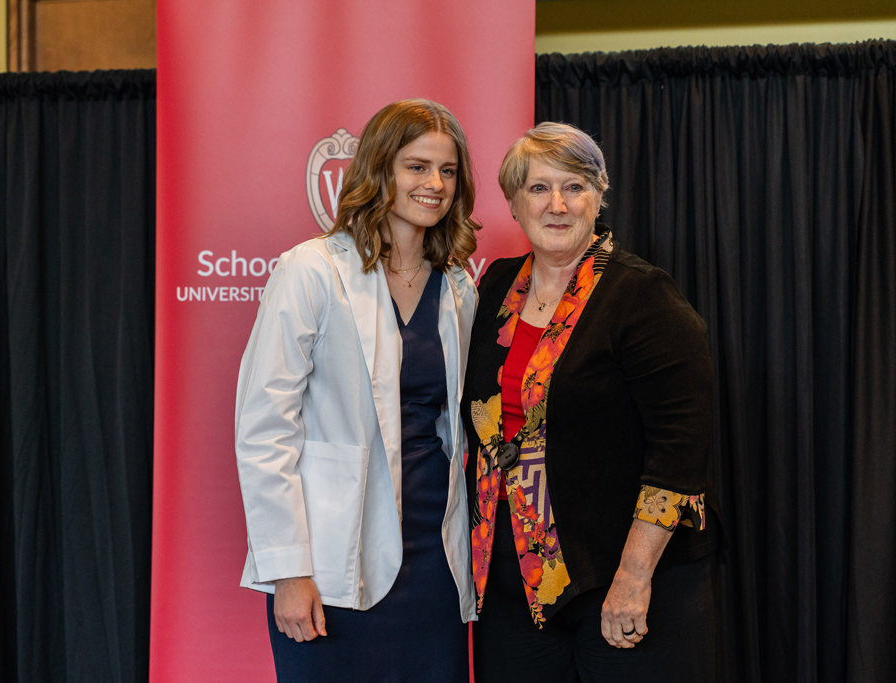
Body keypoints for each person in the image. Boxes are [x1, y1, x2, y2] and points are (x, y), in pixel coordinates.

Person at [461, 122, 718, 682]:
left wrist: (633, 577)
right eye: (537, 188)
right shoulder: (494, 289)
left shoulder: (641, 294)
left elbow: (681, 448)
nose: (557, 204)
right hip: (509, 588)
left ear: (600, 196)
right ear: (512, 202)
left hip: (618, 582)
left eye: (575, 186)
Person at [235, 99, 479, 682]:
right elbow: (266, 430)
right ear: (379, 170)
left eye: (448, 171)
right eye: (417, 167)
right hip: (331, 561)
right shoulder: (311, 270)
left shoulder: (458, 285)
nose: (435, 184)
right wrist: (289, 570)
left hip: (435, 558)